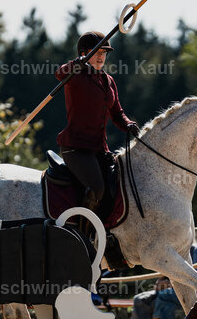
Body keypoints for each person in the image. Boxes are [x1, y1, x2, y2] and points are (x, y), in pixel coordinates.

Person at [55, 31, 140, 213]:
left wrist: (128, 124)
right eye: (98, 52)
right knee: (97, 189)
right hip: (75, 148)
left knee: (115, 187)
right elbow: (59, 73)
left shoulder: (108, 80)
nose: (102, 56)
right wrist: (74, 64)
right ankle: (85, 232)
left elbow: (117, 113)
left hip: (99, 148)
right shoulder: (75, 75)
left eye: (104, 53)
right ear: (84, 54)